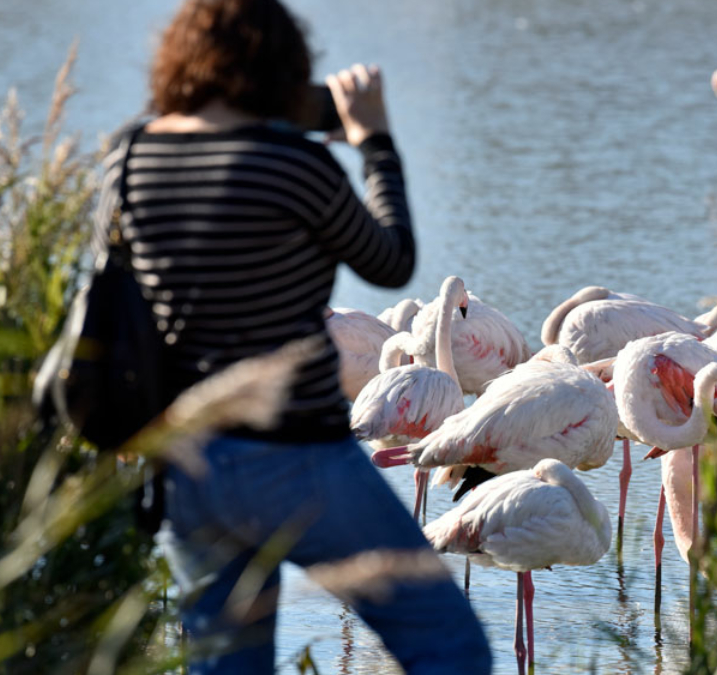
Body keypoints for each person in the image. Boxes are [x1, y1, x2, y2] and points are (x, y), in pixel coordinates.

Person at [94, 1, 492, 673]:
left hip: (189, 464)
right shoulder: (294, 165)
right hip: (297, 457)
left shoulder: (128, 159)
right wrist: (375, 141)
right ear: (285, 72)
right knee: (449, 647)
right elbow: (390, 260)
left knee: (226, 666)